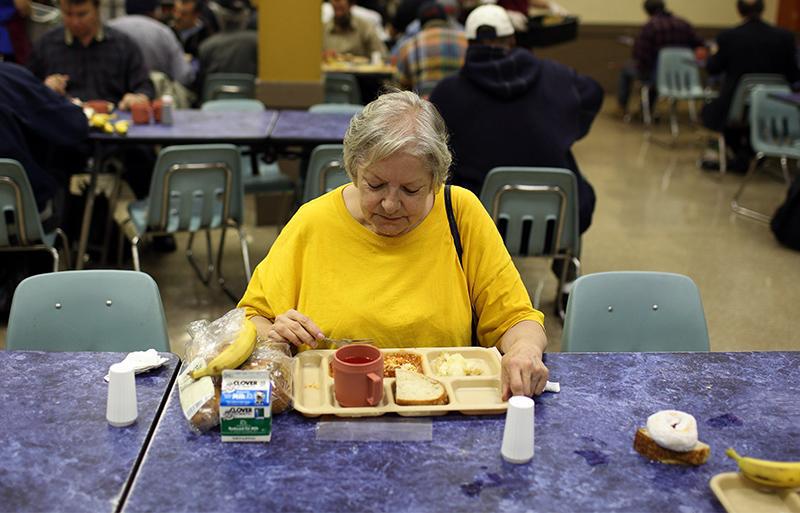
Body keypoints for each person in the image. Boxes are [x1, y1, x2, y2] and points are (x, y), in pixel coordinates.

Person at [238, 90, 550, 398]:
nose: (390, 204)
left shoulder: (460, 213)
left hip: (444, 410)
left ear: (435, 182)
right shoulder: (313, 222)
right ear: (353, 170)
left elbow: (516, 318)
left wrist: (524, 351)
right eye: (375, 185)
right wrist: (276, 337)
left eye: (411, 190)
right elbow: (253, 316)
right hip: (335, 406)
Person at [429, 4, 601, 237]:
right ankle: (564, 265)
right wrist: (565, 126)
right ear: (511, 40)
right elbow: (594, 92)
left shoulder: (447, 93)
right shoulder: (556, 76)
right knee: (579, 183)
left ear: (468, 45)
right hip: (558, 218)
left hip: (478, 221)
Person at [700, 0, 800, 170]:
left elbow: (713, 68)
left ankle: (738, 154)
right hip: (775, 108)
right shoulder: (785, 37)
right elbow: (793, 75)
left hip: (736, 108)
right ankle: (750, 152)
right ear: (762, 9)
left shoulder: (729, 37)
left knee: (711, 110)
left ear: (739, 11)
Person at [27, 0, 154, 108]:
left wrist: (138, 98)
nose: (75, 22)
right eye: (68, 14)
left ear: (97, 9)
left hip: (113, 126)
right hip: (62, 124)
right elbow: (25, 88)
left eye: (82, 14)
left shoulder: (122, 45)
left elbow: (144, 86)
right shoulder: (47, 44)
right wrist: (44, 88)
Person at [617, 0, 705, 117]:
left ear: (647, 11)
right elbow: (700, 44)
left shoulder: (650, 26)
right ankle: (646, 108)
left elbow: (640, 54)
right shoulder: (683, 24)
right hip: (682, 77)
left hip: (656, 74)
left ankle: (622, 108)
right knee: (652, 71)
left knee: (627, 69)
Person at [109, 0, 195, 88]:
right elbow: (183, 76)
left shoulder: (109, 27)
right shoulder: (163, 32)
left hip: (112, 95)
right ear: (155, 10)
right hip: (154, 96)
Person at [391, 1, 467, 98]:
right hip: (461, 107)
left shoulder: (409, 46)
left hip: (426, 110)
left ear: (420, 22)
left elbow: (399, 86)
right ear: (445, 19)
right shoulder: (465, 41)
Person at [323, 0, 387, 60]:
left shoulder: (364, 27)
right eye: (334, 0)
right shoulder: (323, 29)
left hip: (358, 70)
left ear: (351, 4)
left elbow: (382, 55)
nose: (336, 2)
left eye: (341, 0)